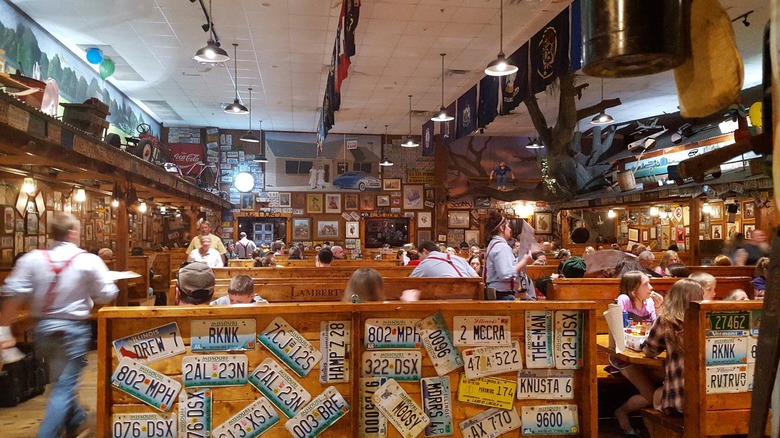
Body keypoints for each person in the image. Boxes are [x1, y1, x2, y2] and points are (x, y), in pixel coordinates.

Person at [0, 213, 119, 437]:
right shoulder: (87, 260)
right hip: (73, 330)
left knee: (60, 379)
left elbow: (12, 294)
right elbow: (106, 294)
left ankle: (76, 420)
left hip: (43, 330)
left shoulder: (33, 259)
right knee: (64, 385)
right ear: (72, 233)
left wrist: (3, 330)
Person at [611, 270, 664, 435]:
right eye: (646, 284)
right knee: (650, 396)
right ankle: (622, 412)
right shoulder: (624, 300)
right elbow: (619, 331)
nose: (651, 287)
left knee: (669, 378)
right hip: (624, 358)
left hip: (644, 355)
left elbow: (658, 330)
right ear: (634, 289)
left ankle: (655, 423)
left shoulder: (649, 303)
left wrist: (659, 307)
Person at [643, 278, 705, 415]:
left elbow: (650, 350)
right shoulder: (706, 319)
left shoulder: (666, 320)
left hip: (679, 400)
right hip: (707, 399)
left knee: (656, 395)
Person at [483, 211, 533, 300]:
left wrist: (523, 258)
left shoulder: (494, 244)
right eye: (508, 226)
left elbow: (508, 267)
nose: (510, 229)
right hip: (501, 295)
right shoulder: (501, 247)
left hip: (498, 294)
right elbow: (505, 274)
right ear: (502, 228)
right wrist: (524, 261)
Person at [410, 241, 478, 278]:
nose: (419, 259)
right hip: (471, 298)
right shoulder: (459, 259)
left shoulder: (425, 264)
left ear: (425, 251)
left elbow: (408, 282)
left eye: (419, 256)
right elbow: (476, 277)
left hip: (449, 299)